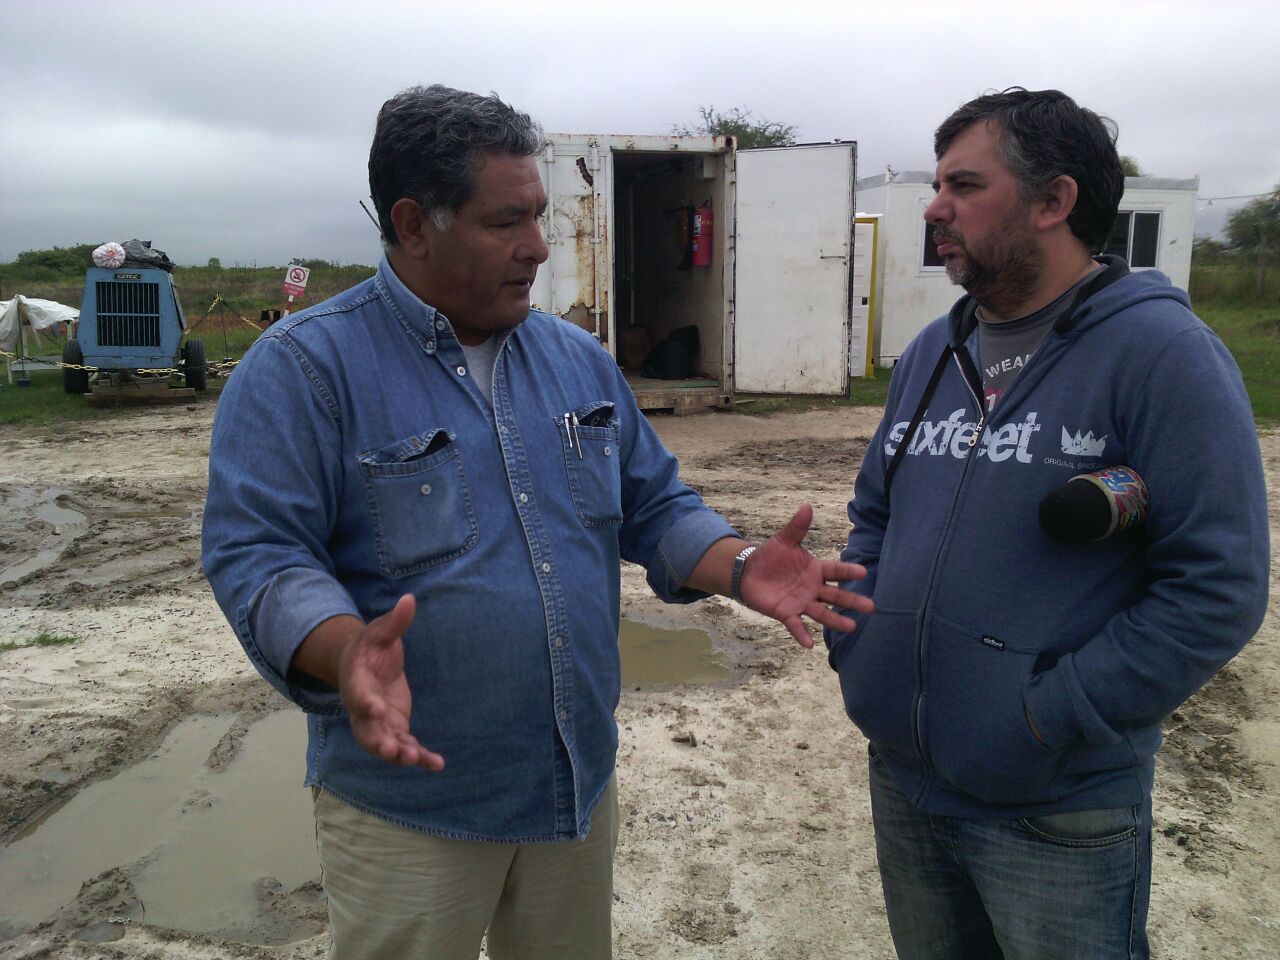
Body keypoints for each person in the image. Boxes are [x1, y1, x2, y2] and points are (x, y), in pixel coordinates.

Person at [201, 84, 873, 960]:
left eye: (540, 216)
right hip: (412, 810)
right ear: (413, 224)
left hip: (572, 786)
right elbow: (260, 554)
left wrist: (739, 564)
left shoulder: (575, 359)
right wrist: (340, 650)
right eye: (505, 222)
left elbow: (655, 503)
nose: (539, 248)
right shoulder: (303, 369)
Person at [826, 88, 1269, 960]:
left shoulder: (1161, 354)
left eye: (963, 185)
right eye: (938, 184)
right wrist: (861, 642)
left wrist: (1046, 717)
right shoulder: (932, 351)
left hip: (1056, 807)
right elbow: (875, 513)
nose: (934, 207)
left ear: (1054, 201)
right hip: (907, 781)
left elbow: (1217, 589)